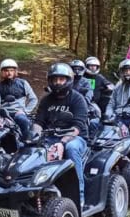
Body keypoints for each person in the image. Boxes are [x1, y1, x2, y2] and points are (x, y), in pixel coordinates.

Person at [32, 63, 89, 208]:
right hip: (50, 136)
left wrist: (62, 143)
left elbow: (77, 126)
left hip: (76, 138)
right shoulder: (46, 100)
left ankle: (79, 196)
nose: (57, 83)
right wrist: (33, 137)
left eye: (61, 79)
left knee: (71, 149)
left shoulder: (77, 99)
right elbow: (39, 122)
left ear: (68, 80)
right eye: (54, 79)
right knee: (31, 151)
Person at [0, 58, 38, 139]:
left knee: (23, 120)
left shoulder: (23, 83)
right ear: (2, 72)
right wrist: (1, 114)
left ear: (15, 71)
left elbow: (33, 99)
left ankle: (27, 141)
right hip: (4, 114)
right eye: (6, 70)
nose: (9, 73)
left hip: (19, 113)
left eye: (11, 70)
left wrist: (25, 111)